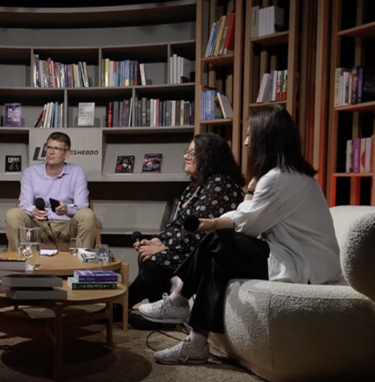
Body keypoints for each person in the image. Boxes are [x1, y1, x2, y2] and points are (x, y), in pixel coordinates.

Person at [144, 104, 341, 365]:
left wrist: (218, 219)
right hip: (303, 259)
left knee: (221, 241)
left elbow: (248, 225)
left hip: (304, 265)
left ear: (265, 138)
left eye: (250, 135)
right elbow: (248, 218)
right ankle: (196, 342)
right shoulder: (295, 176)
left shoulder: (278, 178)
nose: (246, 142)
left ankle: (178, 299)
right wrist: (222, 217)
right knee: (218, 258)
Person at [123, 133, 245, 328]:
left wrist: (164, 248)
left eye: (192, 153)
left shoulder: (220, 185)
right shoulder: (194, 186)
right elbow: (177, 224)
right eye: (186, 152)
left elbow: (199, 229)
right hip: (187, 247)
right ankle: (156, 314)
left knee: (155, 262)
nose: (185, 157)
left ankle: (122, 307)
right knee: (147, 254)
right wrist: (157, 240)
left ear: (210, 156)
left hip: (207, 252)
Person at [5, 131, 98, 251]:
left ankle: (82, 259)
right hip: (37, 226)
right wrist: (33, 211)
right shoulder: (30, 173)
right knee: (13, 214)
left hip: (67, 226)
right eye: (49, 147)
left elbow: (82, 206)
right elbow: (24, 204)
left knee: (87, 215)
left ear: (67, 154)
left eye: (57, 149)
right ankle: (23, 258)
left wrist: (67, 209)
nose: (51, 152)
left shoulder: (77, 172)